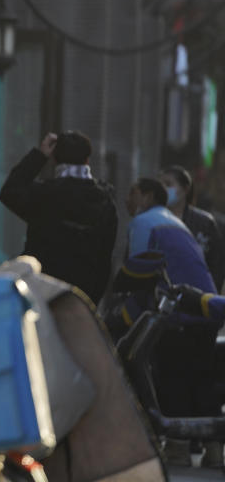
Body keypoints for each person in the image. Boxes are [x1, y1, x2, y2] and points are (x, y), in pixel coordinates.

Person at [124, 177, 221, 468]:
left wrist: (124, 316)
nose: (128, 200)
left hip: (178, 310)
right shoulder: (176, 222)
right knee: (202, 380)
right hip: (207, 309)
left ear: (147, 196)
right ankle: (214, 449)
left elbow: (140, 273)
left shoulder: (144, 222)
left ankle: (177, 448)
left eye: (133, 193)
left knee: (173, 378)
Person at [0, 131, 118, 305]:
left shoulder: (44, 195)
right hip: (82, 296)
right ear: (87, 160)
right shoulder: (104, 201)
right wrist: (92, 301)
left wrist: (39, 155)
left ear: (54, 159)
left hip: (43, 291)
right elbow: (105, 258)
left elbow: (10, 191)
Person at [160, 165, 225, 292]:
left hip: (198, 295)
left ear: (185, 189)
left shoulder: (204, 223)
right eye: (160, 185)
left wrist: (211, 295)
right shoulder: (155, 219)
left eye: (168, 184)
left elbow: (217, 264)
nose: (163, 189)